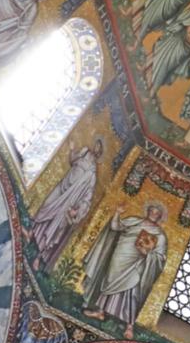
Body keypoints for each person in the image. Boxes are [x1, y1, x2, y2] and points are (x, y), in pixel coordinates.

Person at [81, 202, 169, 331]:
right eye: (152, 211)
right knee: (109, 281)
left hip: (138, 262)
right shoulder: (133, 221)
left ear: (160, 216)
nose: (153, 214)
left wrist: (148, 254)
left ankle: (129, 325)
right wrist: (117, 213)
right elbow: (116, 227)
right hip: (120, 255)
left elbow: (160, 257)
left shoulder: (160, 236)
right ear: (147, 211)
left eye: (157, 213)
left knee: (133, 290)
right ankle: (100, 312)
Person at [30, 136, 102, 268]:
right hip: (62, 187)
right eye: (96, 145)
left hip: (70, 201)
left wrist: (78, 210)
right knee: (46, 205)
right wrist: (71, 149)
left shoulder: (92, 174)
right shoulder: (84, 152)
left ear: (99, 154)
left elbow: (88, 197)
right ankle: (30, 232)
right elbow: (72, 160)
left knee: (56, 228)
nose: (96, 148)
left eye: (99, 148)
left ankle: (38, 257)